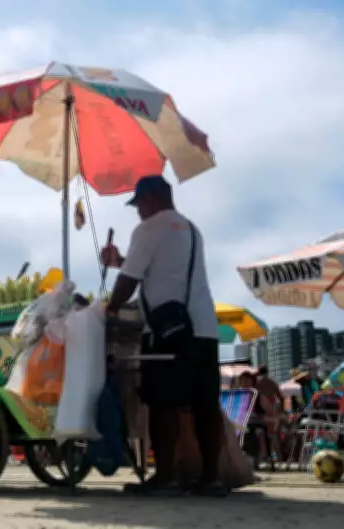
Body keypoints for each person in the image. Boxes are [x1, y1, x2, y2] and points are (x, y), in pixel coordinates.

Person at [100, 175, 224, 496]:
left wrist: (110, 309)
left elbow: (130, 280)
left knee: (161, 403)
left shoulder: (149, 228)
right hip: (205, 329)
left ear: (152, 198)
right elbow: (161, 268)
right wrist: (119, 261)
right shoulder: (191, 229)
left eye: (139, 203)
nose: (138, 211)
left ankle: (166, 477)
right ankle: (211, 478)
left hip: (168, 332)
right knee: (205, 406)